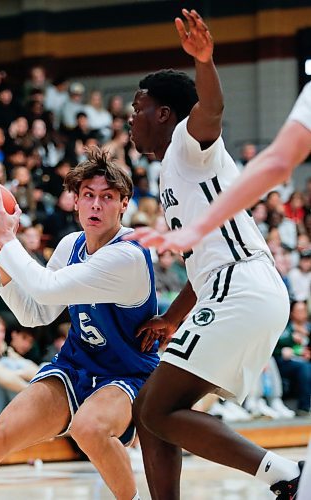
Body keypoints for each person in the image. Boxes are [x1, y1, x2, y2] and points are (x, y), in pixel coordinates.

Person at [125, 8, 303, 500]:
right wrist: (171, 317)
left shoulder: (187, 144)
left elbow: (212, 110)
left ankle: (288, 476)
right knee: (152, 412)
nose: (130, 120)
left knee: (156, 409)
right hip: (235, 288)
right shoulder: (172, 173)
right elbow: (200, 267)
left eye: (136, 108)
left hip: (240, 287)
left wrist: (205, 60)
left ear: (163, 113)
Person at [0, 148, 159, 500]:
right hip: (76, 365)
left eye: (107, 197)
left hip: (127, 372)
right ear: (76, 201)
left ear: (124, 203)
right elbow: (34, 313)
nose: (96, 205)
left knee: (89, 428)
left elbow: (45, 287)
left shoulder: (128, 253)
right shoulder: (71, 244)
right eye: (88, 196)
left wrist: (8, 239)